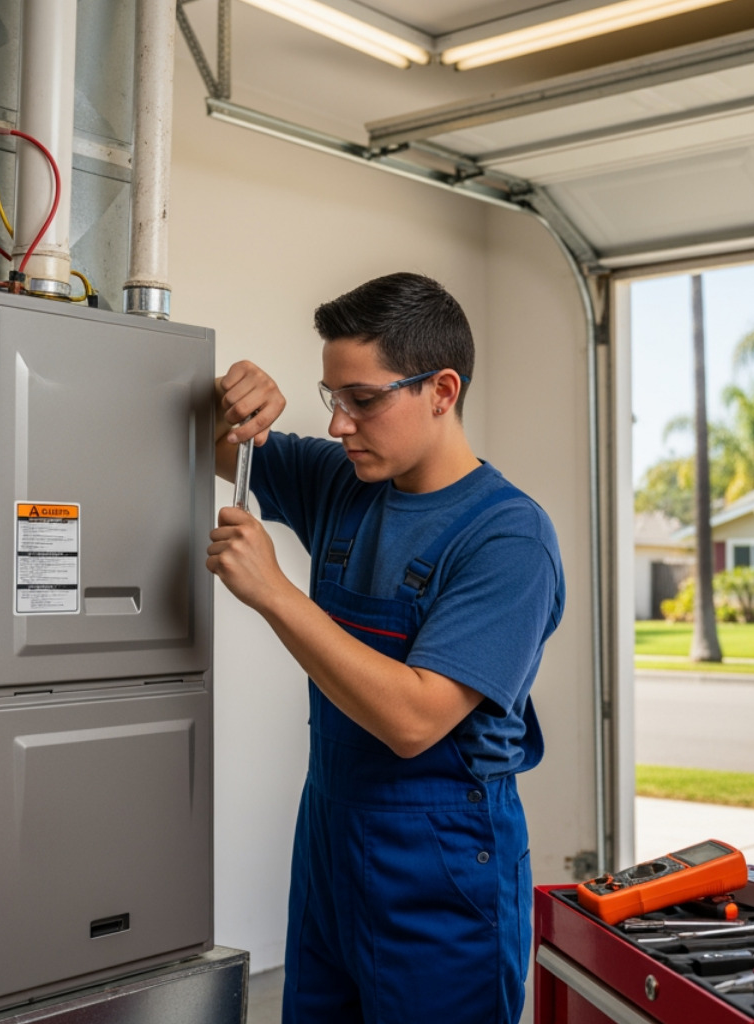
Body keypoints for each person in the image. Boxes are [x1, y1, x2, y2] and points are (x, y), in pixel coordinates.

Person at [206, 272, 564, 1024]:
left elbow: (414, 720)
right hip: (331, 849)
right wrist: (233, 396)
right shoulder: (345, 485)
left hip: (441, 870)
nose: (338, 425)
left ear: (441, 390)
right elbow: (206, 437)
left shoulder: (506, 538)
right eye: (330, 397)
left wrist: (275, 593)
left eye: (362, 400)